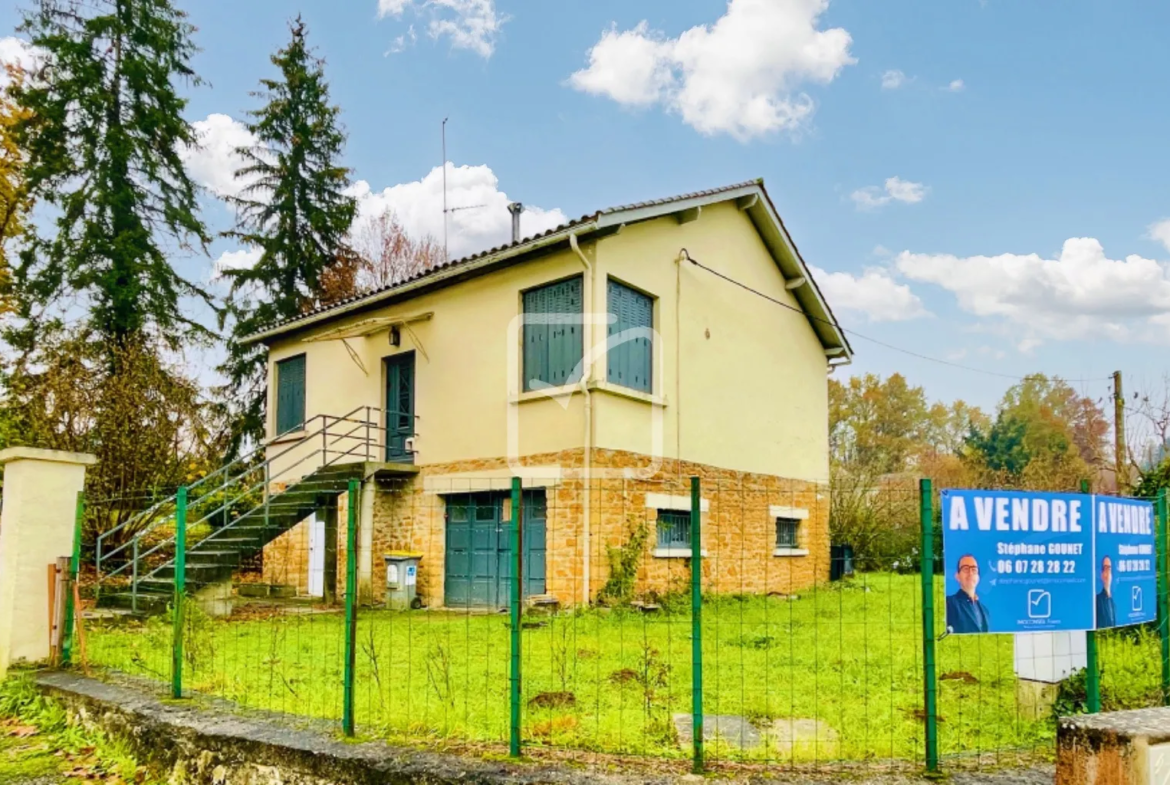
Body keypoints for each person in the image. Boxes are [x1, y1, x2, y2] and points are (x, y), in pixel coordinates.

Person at [946, 554, 990, 633]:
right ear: (957, 576)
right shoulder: (949, 604)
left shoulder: (985, 611)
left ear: (978, 578)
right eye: (966, 569)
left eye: (974, 569)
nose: (970, 573)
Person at [1096, 556, 1116, 628]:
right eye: (1105, 569)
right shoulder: (1097, 601)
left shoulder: (1113, 603)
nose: (1107, 573)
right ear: (1101, 574)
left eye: (1109, 569)